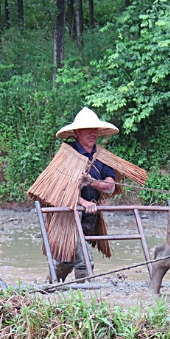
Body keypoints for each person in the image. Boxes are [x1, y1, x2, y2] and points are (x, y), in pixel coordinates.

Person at [51, 107, 119, 282]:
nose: (93, 133)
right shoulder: (66, 155)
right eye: (88, 129)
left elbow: (110, 186)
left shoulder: (101, 157)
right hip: (68, 215)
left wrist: (93, 183)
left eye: (95, 129)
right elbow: (59, 188)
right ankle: (85, 299)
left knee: (67, 260)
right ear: (76, 132)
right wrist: (82, 202)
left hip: (90, 216)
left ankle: (50, 288)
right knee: (83, 261)